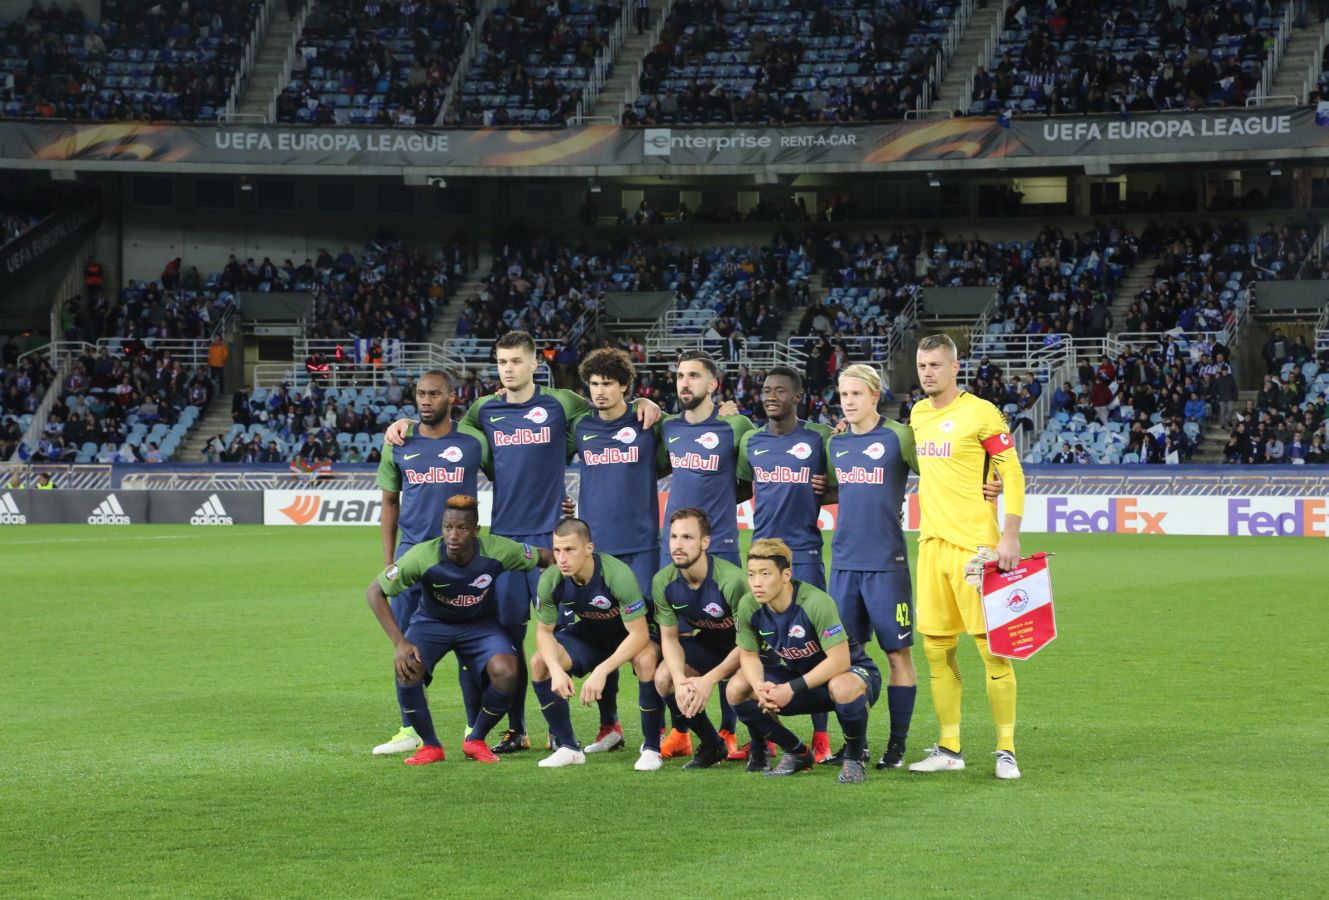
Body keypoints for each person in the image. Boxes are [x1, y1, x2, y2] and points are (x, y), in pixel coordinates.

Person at [385, 332, 660, 755]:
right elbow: (442, 429)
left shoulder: (563, 403)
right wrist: (404, 424)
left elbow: (609, 407)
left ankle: (593, 727)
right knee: (511, 638)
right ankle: (516, 729)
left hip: (554, 543)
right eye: (502, 362)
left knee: (586, 628)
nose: (508, 369)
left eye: (516, 361)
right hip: (507, 544)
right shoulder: (483, 410)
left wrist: (644, 401)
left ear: (535, 364)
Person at [908, 334, 1027, 780]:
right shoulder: (917, 414)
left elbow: (1011, 472)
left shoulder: (982, 413)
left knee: (992, 652)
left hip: (976, 549)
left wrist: (1009, 536)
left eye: (936, 365)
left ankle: (1006, 750)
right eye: (922, 365)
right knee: (937, 650)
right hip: (931, 546)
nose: (927, 373)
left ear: (955, 368)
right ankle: (949, 748)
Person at [364, 495, 553, 764]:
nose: (453, 535)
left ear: (476, 530)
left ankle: (475, 739)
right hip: (432, 624)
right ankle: (431, 745)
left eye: (462, 528)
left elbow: (546, 556)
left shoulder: (498, 550)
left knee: (508, 671)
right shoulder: (422, 555)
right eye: (447, 527)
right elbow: (374, 592)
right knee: (407, 667)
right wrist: (400, 643)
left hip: (481, 626)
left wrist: (559, 569)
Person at [371, 370, 490, 757]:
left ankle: (474, 728)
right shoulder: (399, 442)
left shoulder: (473, 440)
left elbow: (509, 476)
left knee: (470, 649)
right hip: (412, 560)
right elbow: (390, 503)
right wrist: (389, 561)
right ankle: (410, 729)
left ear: (451, 397)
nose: (425, 400)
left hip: (462, 561)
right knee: (406, 645)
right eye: (420, 393)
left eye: (434, 394)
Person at [566, 348, 672, 754]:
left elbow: (670, 458)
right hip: (596, 551)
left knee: (648, 643)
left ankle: (660, 731)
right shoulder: (580, 427)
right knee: (602, 635)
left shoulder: (648, 423)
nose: (600, 391)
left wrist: (649, 403)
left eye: (608, 384)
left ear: (626, 386)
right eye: (594, 384)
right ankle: (609, 726)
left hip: (642, 548)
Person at [657, 349, 753, 758]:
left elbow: (750, 479)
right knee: (676, 639)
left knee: (731, 637)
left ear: (713, 384)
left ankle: (729, 732)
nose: (685, 382)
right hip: (675, 550)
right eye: (681, 375)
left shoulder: (736, 426)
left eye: (694, 376)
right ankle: (681, 731)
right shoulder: (668, 427)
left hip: (722, 549)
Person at [735, 364, 833, 762]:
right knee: (764, 648)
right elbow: (741, 486)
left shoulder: (820, 437)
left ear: (797, 397)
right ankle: (767, 735)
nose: (770, 396)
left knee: (816, 648)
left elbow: (847, 482)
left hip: (805, 553)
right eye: (766, 390)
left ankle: (822, 737)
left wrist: (827, 488)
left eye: (779, 390)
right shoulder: (751, 442)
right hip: (762, 554)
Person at [727, 538, 882, 784]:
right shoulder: (749, 605)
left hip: (854, 675)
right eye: (751, 574)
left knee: (842, 686)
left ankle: (855, 758)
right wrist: (759, 686)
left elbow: (840, 661)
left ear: (786, 575)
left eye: (765, 574)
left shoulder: (815, 603)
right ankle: (797, 752)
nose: (756, 582)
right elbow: (748, 655)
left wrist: (790, 688)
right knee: (737, 688)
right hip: (805, 682)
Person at [530, 518, 658, 770]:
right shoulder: (552, 579)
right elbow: (543, 632)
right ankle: (569, 747)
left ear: (589, 548)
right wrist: (555, 669)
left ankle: (653, 748)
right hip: (594, 631)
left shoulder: (617, 575)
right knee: (540, 662)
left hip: (634, 632)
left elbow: (639, 634)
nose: (562, 558)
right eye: (557, 550)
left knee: (645, 659)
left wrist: (601, 670)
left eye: (570, 549)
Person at [652, 508, 749, 770]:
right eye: (673, 537)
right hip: (711, 643)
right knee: (664, 678)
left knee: (741, 685)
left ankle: (764, 742)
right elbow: (669, 638)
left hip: (752, 649)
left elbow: (749, 643)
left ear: (705, 542)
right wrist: (680, 680)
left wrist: (709, 679)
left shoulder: (732, 582)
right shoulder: (663, 581)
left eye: (687, 537)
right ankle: (711, 743)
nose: (678, 545)